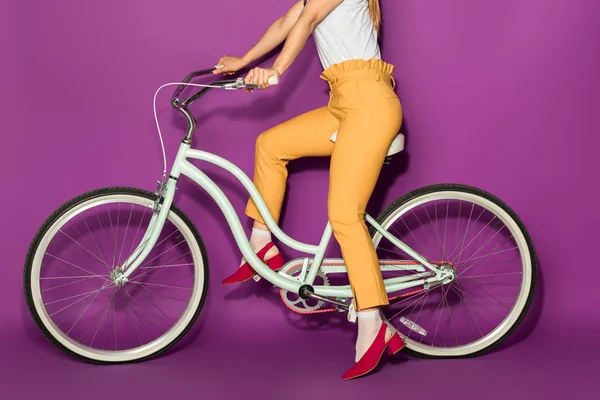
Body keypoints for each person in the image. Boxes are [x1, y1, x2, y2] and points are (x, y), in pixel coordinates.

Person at [214, 0, 403, 380]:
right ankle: (262, 246)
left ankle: (373, 321)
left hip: (368, 102)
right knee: (270, 145)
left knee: (344, 215)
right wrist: (245, 60)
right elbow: (290, 19)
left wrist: (276, 71)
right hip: (342, 102)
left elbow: (311, 18)